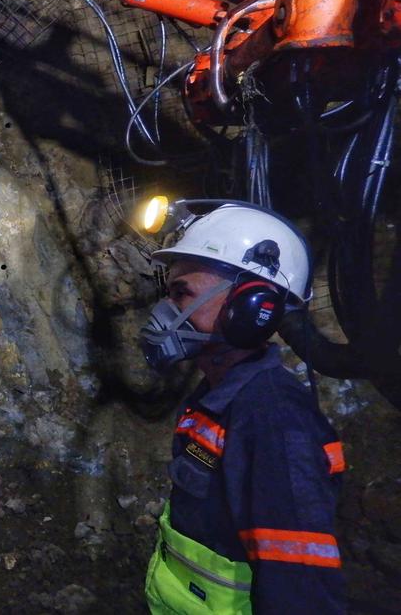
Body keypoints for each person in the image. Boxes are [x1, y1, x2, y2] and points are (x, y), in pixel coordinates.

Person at [139, 202, 346, 613]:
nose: (166, 311)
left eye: (183, 294)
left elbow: (300, 588)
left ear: (252, 308)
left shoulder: (274, 419)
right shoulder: (216, 397)